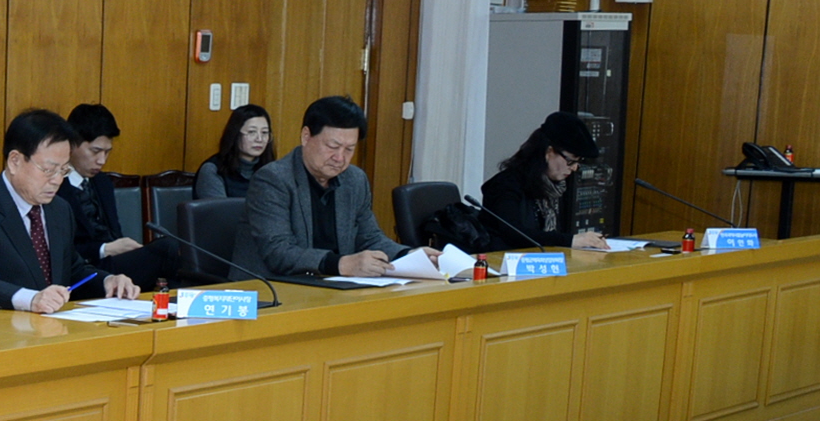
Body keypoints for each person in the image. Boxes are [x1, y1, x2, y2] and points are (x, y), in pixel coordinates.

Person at [0, 108, 144, 315]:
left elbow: (72, 270)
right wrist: (31, 299)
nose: (57, 180)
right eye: (49, 170)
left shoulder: (59, 209)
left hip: (51, 326)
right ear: (15, 161)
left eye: (64, 170)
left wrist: (107, 280)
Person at [232, 96, 439, 280]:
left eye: (349, 149)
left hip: (331, 287)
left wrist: (409, 256)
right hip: (271, 291)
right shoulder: (273, 180)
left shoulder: (354, 180)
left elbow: (369, 238)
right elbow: (279, 252)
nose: (340, 158)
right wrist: (342, 264)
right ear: (306, 136)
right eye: (332, 146)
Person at [63, 103, 186, 287]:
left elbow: (115, 233)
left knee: (171, 254)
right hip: (83, 271)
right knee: (166, 249)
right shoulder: (55, 186)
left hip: (114, 264)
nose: (102, 160)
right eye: (95, 151)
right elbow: (59, 251)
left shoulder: (102, 182)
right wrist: (104, 249)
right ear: (71, 144)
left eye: (107, 152)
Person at [480, 110, 609, 250]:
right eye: (570, 161)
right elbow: (514, 233)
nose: (574, 168)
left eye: (578, 162)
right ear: (549, 152)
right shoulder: (506, 184)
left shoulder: (555, 187)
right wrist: (570, 240)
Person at [194, 104, 275, 199]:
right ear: (235, 134)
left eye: (264, 132)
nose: (259, 139)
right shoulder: (213, 170)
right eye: (251, 132)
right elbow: (218, 208)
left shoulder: (270, 170)